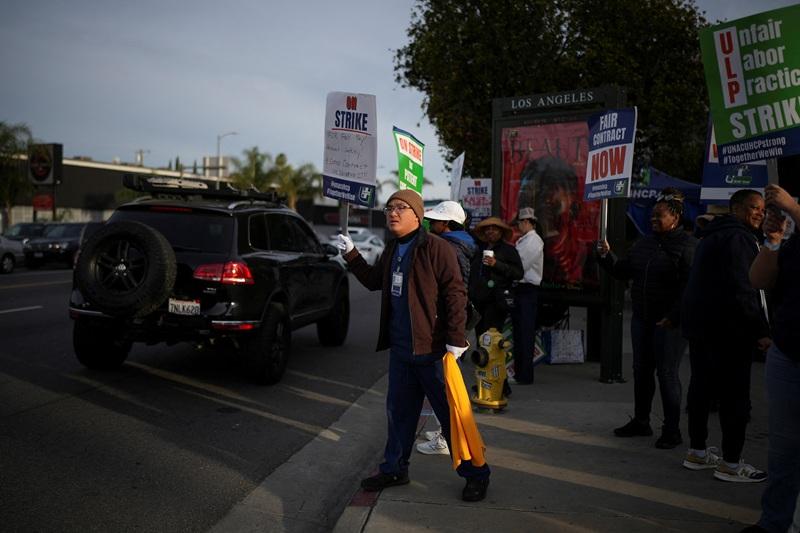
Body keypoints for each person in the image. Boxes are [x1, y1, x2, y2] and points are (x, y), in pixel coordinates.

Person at [338, 189, 491, 502]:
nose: (392, 213)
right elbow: (372, 280)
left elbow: (455, 295)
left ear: (418, 215)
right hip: (402, 351)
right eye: (389, 208)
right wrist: (352, 254)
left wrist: (455, 339)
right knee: (399, 414)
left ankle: (476, 473)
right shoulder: (393, 248)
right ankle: (395, 468)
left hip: (433, 351)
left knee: (452, 416)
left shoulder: (437, 248)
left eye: (400, 207)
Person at [681, 189, 770, 482]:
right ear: (737, 209)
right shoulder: (740, 238)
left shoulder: (710, 236)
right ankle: (731, 464)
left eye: (762, 209)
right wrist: (760, 330)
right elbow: (744, 288)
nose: (760, 213)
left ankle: (697, 451)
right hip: (729, 331)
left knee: (701, 388)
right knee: (735, 397)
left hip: (702, 328)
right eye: (754, 208)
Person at [597, 188, 697, 448]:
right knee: (641, 371)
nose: (653, 220)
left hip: (670, 323)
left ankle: (671, 429)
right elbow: (623, 270)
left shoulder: (687, 245)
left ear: (675, 217)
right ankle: (641, 422)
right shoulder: (644, 243)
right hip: (642, 319)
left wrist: (674, 316)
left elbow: (690, 288)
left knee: (666, 373)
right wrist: (607, 256)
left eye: (659, 216)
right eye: (652, 216)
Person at [748, 184, 800, 531]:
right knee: (783, 451)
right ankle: (774, 524)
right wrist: (773, 240)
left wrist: (793, 209)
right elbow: (758, 279)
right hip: (788, 354)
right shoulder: (793, 236)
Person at [416, 200, 477, 456]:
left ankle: (447, 438)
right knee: (448, 382)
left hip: (449, 326)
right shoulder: (463, 243)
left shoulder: (451, 247)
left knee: (447, 385)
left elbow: (454, 293)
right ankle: (444, 430)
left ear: (447, 224)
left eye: (436, 221)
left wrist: (455, 335)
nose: (431, 224)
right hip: (454, 324)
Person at [468, 217, 523, 336]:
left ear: (501, 232)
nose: (490, 231)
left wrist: (496, 264)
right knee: (480, 336)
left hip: (496, 301)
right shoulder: (479, 249)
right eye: (487, 229)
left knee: (492, 337)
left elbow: (518, 273)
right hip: (479, 301)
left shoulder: (508, 250)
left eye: (494, 229)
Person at [510, 206, 543, 385]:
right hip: (522, 290)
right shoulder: (526, 240)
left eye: (521, 222)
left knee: (525, 334)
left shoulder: (533, 241)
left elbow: (520, 265)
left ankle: (524, 375)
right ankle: (520, 373)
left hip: (527, 289)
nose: (519, 225)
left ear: (527, 222)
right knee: (520, 334)